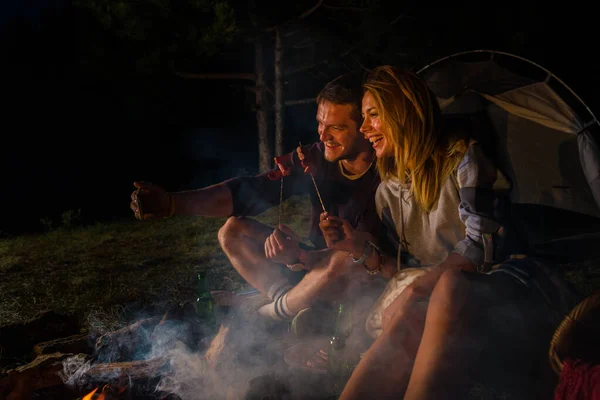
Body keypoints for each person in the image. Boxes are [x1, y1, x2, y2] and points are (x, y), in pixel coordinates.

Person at [326, 65, 581, 399]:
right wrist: (363, 251)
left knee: (444, 286)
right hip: (440, 292)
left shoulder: (464, 159)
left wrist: (416, 291)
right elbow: (411, 270)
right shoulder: (387, 192)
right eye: (363, 117)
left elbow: (480, 250)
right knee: (416, 304)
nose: (364, 128)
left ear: (404, 113)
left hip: (507, 281)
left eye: (373, 115)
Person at [129, 72, 384, 326]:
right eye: (320, 123)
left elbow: (370, 254)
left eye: (336, 128)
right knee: (233, 230)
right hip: (313, 264)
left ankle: (270, 317)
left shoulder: (386, 175)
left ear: (365, 126)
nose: (322, 135)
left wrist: (301, 257)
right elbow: (251, 191)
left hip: (361, 275)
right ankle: (288, 300)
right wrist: (173, 203)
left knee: (343, 260)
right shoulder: (314, 157)